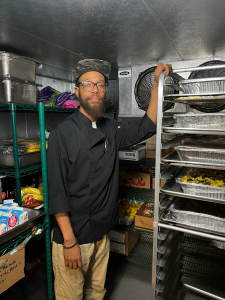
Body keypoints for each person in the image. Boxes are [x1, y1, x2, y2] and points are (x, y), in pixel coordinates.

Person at [48, 59, 172, 300]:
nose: (95, 89)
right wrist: (69, 242)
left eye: (101, 85)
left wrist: (157, 82)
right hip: (74, 236)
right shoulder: (61, 134)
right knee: (70, 296)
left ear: (105, 90)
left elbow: (148, 126)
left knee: (97, 291)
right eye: (88, 84)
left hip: (102, 233)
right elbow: (57, 192)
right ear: (78, 90)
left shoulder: (110, 129)